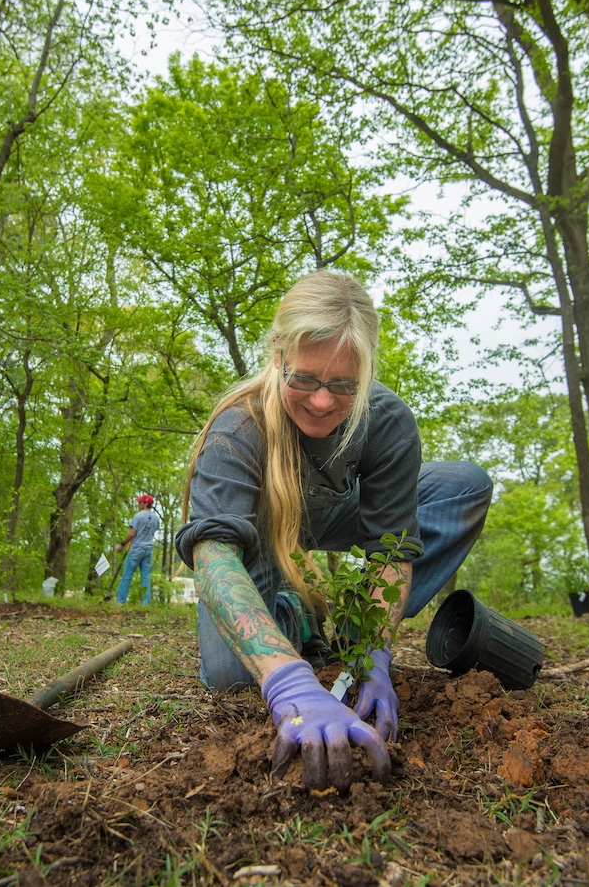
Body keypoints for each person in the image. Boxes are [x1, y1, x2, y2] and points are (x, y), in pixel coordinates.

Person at [175, 269, 493, 793]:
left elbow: (394, 547)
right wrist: (287, 677)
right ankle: (292, 611)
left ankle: (350, 633)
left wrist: (374, 647)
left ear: (366, 373)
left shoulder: (386, 420)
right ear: (277, 354)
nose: (322, 402)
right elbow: (213, 555)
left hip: (342, 515)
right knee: (234, 677)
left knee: (463, 485)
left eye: (344, 385)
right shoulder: (239, 426)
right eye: (304, 379)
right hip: (261, 529)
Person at [115, 494, 160, 605]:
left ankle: (120, 601)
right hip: (148, 549)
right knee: (145, 577)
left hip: (136, 549)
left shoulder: (138, 516)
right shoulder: (156, 518)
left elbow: (132, 533)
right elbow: (153, 531)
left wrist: (122, 544)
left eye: (140, 502)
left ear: (145, 503)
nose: (138, 504)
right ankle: (146, 603)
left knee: (127, 576)